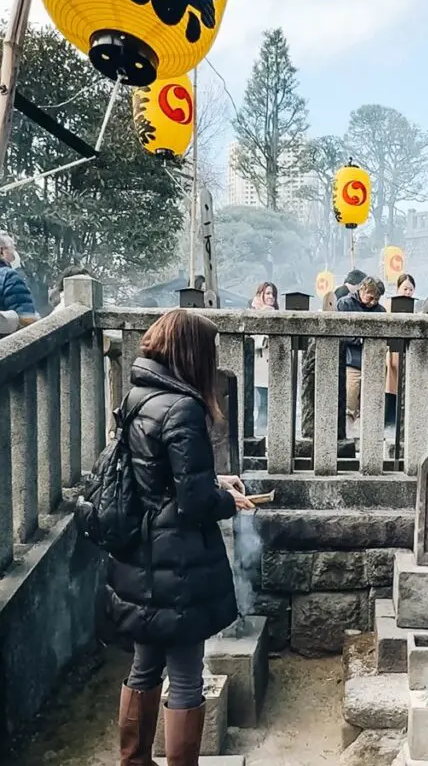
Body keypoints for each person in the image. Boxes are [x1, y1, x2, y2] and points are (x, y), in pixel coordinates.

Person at [108, 309, 255, 766]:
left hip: (140, 557)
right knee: (188, 674)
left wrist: (218, 481)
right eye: (209, 353)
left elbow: (160, 478)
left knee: (145, 665)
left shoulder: (139, 396)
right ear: (192, 354)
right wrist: (228, 501)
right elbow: (192, 501)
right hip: (179, 563)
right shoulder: (183, 407)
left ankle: (133, 761)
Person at [336, 276, 385, 431]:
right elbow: (341, 331)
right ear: (362, 289)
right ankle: (348, 432)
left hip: (372, 361)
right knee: (350, 400)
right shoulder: (345, 304)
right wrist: (361, 340)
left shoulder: (380, 311)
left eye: (377, 299)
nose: (373, 302)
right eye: (371, 297)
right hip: (350, 360)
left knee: (370, 404)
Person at [385, 274, 417, 424]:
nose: (408, 292)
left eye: (410, 289)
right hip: (391, 354)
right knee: (390, 389)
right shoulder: (388, 306)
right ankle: (389, 423)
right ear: (398, 288)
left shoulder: (416, 308)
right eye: (405, 288)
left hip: (409, 353)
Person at [251, 282, 278, 432]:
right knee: (261, 403)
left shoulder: (277, 313)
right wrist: (264, 339)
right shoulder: (254, 313)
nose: (270, 297)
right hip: (260, 365)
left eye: (273, 294)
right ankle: (260, 431)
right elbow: (250, 339)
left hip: (275, 365)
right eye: (267, 293)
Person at [0, 231, 38, 333]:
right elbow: (27, 320)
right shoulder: (9, 277)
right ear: (2, 251)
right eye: (12, 248)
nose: (14, 253)